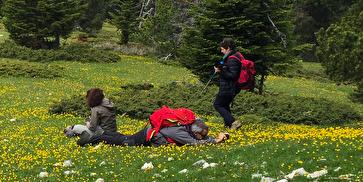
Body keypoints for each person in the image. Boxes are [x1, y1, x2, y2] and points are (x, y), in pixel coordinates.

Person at [73, 119, 229, 147]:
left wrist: (215, 138)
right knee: (124, 141)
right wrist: (214, 141)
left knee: (122, 137)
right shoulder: (181, 132)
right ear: (196, 133)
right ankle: (91, 139)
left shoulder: (189, 128)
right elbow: (194, 143)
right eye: (203, 136)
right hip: (146, 137)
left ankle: (97, 136)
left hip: (149, 134)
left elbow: (198, 139)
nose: (204, 138)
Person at [214, 37, 243, 131]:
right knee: (225, 104)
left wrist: (220, 72)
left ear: (228, 48)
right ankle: (228, 126)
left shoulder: (232, 59)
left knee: (217, 104)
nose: (222, 51)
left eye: (223, 49)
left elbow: (233, 75)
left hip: (229, 87)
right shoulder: (236, 55)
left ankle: (233, 122)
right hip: (231, 87)